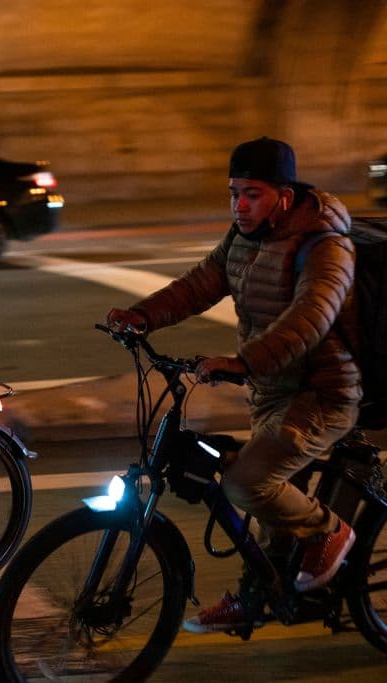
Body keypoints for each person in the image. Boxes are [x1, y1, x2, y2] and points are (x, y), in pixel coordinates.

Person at [106, 137, 361, 633]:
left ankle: (331, 532)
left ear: (284, 197)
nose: (239, 205)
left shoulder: (325, 244)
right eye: (233, 192)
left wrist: (243, 362)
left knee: (247, 482)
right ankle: (259, 595)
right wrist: (142, 316)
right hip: (271, 390)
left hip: (321, 394)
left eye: (253, 194)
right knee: (270, 507)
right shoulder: (244, 237)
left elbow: (311, 318)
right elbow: (202, 282)